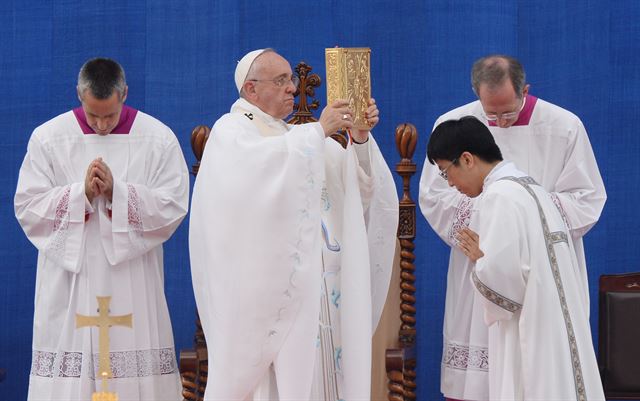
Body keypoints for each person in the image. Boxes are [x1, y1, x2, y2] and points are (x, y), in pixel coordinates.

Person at [189, 48, 398, 401]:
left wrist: (358, 137)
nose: (293, 88)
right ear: (251, 90)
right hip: (263, 304)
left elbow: (358, 192)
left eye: (293, 79)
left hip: (318, 298)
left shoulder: (297, 138)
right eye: (282, 80)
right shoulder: (231, 133)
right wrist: (318, 132)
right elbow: (255, 180)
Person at [419, 55, 606, 401]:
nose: (501, 125)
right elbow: (435, 196)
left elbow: (587, 197)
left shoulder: (564, 126)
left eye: (508, 112)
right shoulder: (455, 124)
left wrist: (520, 228)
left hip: (527, 269)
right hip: (492, 259)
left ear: (525, 90)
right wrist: (502, 228)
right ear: (476, 92)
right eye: (492, 116)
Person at [14, 57, 189, 401]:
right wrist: (79, 195)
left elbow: (173, 205)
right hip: (71, 282)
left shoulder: (157, 138)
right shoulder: (49, 138)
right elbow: (28, 207)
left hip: (132, 279)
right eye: (93, 114)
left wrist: (117, 194)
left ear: (124, 93)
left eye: (109, 114)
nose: (102, 124)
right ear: (78, 94)